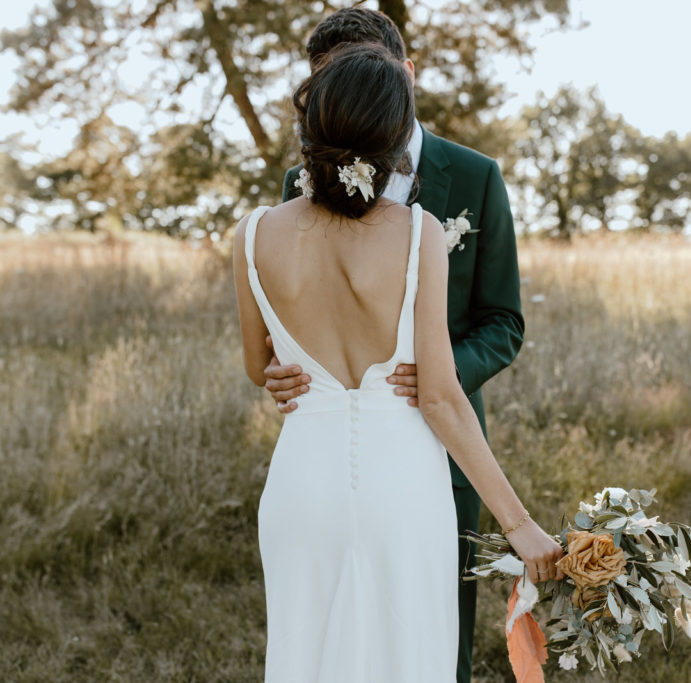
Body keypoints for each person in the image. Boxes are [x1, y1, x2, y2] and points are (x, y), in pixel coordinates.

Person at [233, 43, 561, 682]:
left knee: (306, 658)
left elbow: (260, 367)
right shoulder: (418, 234)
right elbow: (440, 398)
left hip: (300, 487)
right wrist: (520, 526)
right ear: (393, 136)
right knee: (410, 659)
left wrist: (290, 371)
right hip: (403, 486)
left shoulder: (252, 233)